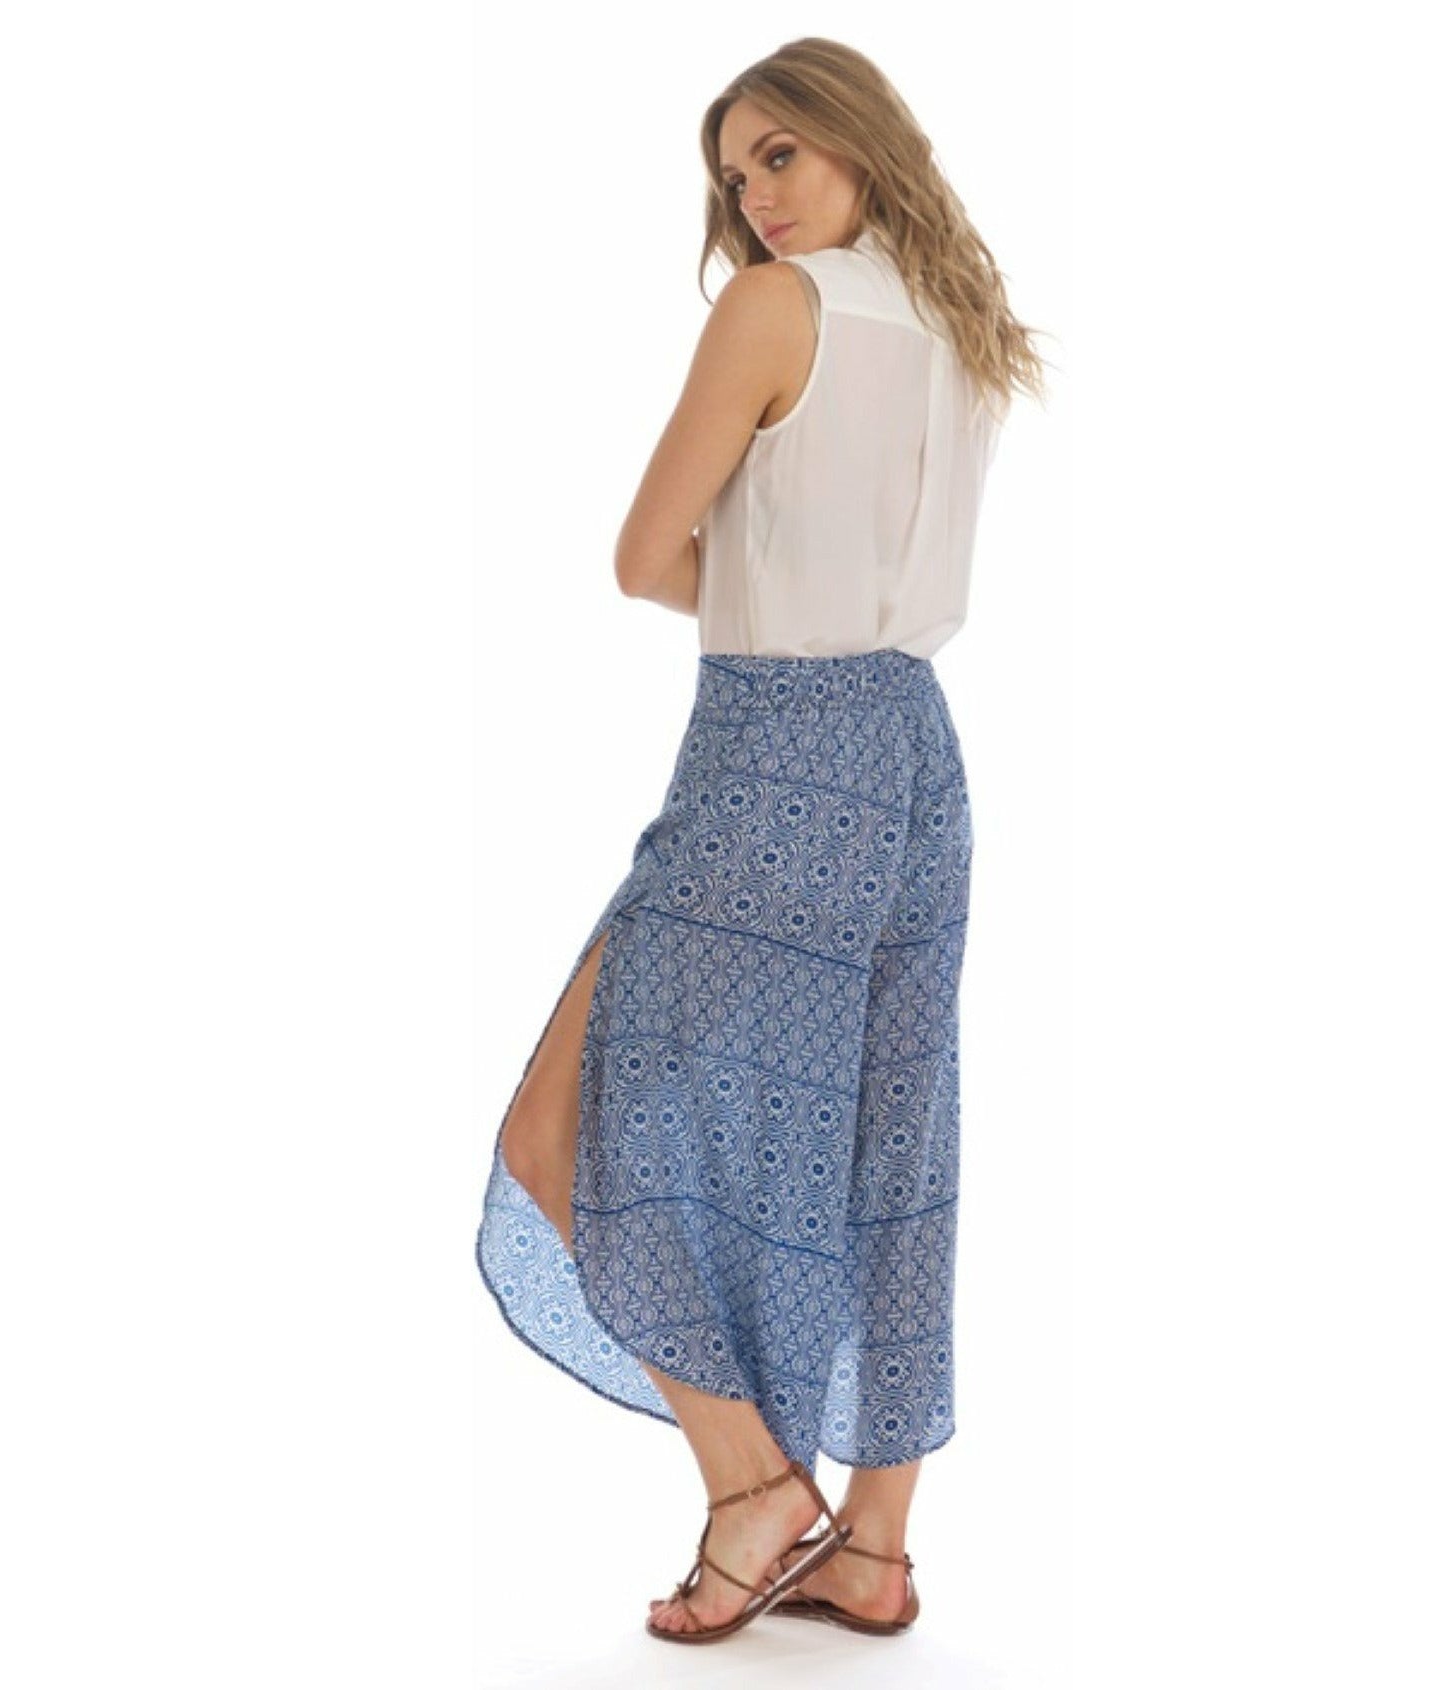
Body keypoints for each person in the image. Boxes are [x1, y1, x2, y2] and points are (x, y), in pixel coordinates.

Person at [475, 36, 1050, 1645]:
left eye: (779, 154)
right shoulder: (963, 324)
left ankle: (750, 1485)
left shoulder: (774, 308)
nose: (755, 199)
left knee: (562, 1125)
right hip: (917, 749)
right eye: (735, 178)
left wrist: (749, 585)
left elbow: (642, 555)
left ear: (862, 140)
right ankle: (874, 1546)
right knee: (891, 1142)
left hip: (774, 750)